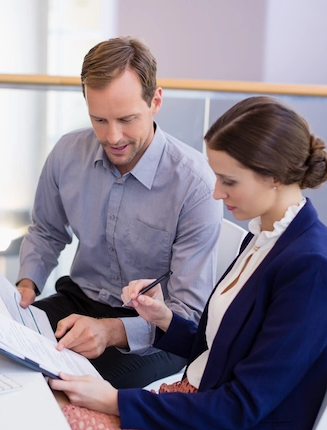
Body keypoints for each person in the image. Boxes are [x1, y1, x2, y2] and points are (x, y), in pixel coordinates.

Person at [49, 96, 327, 430]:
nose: (215, 193)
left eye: (228, 181)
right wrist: (163, 317)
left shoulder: (313, 269)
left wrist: (114, 400)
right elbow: (219, 349)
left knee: (49, 422)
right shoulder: (265, 236)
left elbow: (242, 406)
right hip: (193, 405)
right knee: (47, 396)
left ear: (274, 176)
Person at [16, 37, 223, 389]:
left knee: (57, 385)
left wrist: (111, 331)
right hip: (79, 300)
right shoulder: (68, 153)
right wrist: (27, 284)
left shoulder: (195, 184)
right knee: (2, 351)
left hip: (158, 330)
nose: (113, 137)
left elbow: (187, 314)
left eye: (127, 119)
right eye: (99, 119)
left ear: (155, 101)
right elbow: (47, 231)